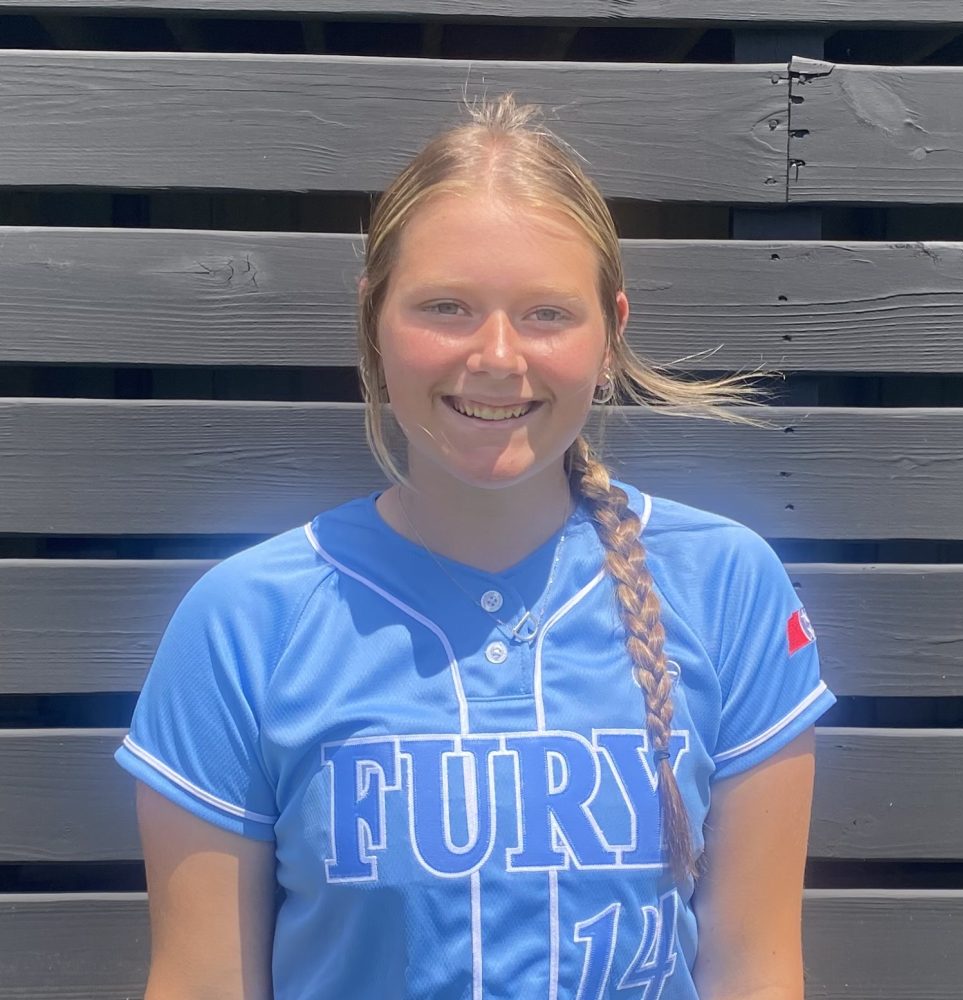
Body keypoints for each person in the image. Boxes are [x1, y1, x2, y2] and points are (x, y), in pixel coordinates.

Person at [115, 92, 836, 1000]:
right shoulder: (242, 623)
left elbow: (755, 972)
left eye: (547, 313)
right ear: (374, 322)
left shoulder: (728, 587)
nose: (497, 355)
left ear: (611, 332)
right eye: (447, 307)